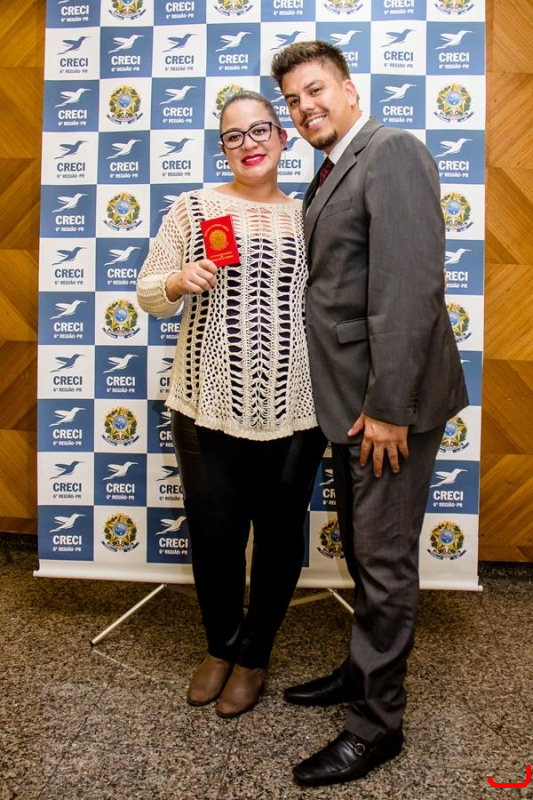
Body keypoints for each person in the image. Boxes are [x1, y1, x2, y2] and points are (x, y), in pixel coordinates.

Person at [271, 41, 469, 786]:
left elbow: (409, 289)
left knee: (382, 565)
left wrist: (389, 410)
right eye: (293, 100)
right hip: (350, 403)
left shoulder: (391, 152)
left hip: (388, 407)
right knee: (361, 549)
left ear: (350, 88)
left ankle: (375, 726)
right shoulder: (335, 165)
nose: (304, 107)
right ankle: (359, 673)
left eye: (315, 90)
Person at [136, 90, 326, 719]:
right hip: (203, 404)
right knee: (215, 535)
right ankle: (220, 646)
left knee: (278, 538)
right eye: (234, 135)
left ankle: (253, 656)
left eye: (260, 130)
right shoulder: (194, 208)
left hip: (297, 409)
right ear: (223, 147)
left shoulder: (310, 215)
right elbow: (148, 292)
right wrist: (176, 280)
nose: (249, 144)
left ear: (283, 138)